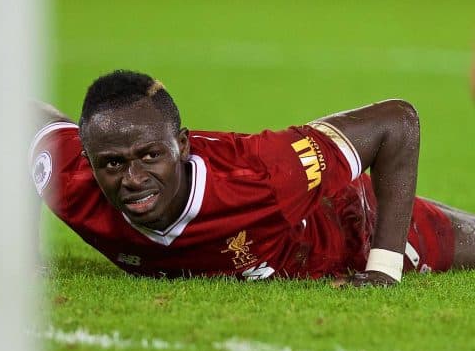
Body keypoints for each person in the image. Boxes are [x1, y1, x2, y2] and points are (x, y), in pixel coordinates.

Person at [30, 70, 475, 287]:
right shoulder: (68, 178)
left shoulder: (260, 174)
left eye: (151, 156)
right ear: (88, 159)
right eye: (112, 164)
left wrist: (383, 269)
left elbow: (396, 122)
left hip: (346, 223)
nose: (133, 178)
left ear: (182, 146)